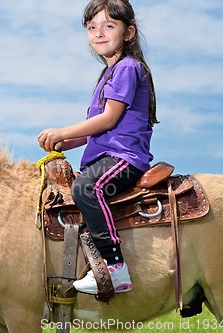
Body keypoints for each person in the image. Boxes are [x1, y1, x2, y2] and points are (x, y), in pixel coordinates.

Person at [37, 0, 158, 294]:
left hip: (124, 157)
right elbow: (96, 129)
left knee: (86, 189)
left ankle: (115, 268)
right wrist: (65, 141)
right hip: (106, 155)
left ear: (128, 32)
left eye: (108, 26)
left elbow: (109, 118)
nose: (99, 33)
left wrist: (64, 129)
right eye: (92, 27)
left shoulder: (128, 67)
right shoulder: (107, 74)